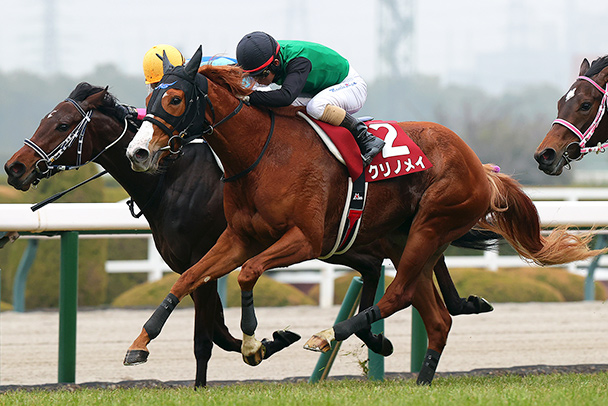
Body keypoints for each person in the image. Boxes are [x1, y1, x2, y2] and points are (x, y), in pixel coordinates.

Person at [236, 31, 385, 166]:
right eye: (252, 76)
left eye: (260, 75)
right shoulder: (266, 55)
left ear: (276, 63)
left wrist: (248, 96)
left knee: (316, 107)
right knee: (276, 103)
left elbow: (286, 97)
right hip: (320, 89)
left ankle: (366, 137)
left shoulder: (298, 61)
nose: (256, 81)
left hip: (350, 86)